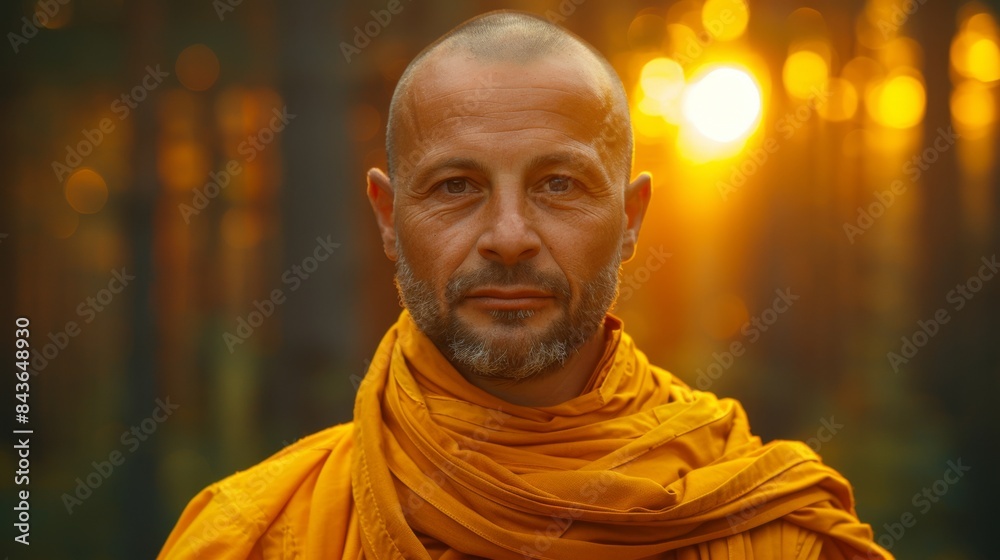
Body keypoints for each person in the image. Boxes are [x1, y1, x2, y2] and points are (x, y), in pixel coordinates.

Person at [159, 10, 892, 559]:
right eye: (455, 186)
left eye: (559, 184)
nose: (508, 235)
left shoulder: (764, 524)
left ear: (631, 217)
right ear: (388, 217)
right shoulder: (256, 533)